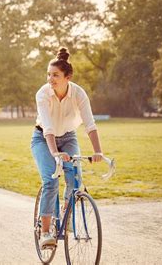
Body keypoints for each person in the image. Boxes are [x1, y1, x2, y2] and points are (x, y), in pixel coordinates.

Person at [31, 47, 105, 248]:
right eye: (48, 74)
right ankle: (46, 232)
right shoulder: (43, 94)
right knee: (51, 181)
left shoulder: (79, 94)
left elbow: (90, 124)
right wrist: (55, 153)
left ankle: (64, 212)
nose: (50, 79)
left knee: (75, 181)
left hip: (68, 137)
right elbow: (47, 127)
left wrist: (98, 151)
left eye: (55, 75)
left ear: (68, 77)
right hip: (43, 139)